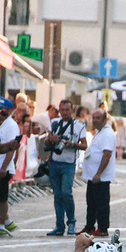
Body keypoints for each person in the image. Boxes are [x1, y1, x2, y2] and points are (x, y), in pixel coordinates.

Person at [44, 99, 87, 236]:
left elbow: (84, 145)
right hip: (54, 161)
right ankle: (59, 226)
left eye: (67, 110)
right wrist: (52, 139)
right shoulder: (54, 123)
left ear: (72, 110)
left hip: (68, 163)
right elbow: (46, 140)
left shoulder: (79, 126)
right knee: (57, 195)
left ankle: (72, 222)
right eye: (62, 110)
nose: (64, 112)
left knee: (66, 193)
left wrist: (73, 144)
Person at [82, 107, 117, 237]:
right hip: (92, 176)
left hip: (100, 177)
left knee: (101, 203)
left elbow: (107, 154)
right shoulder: (99, 132)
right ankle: (90, 226)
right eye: (93, 118)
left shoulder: (107, 133)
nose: (95, 120)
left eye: (98, 118)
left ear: (104, 119)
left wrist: (98, 173)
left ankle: (102, 227)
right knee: (91, 203)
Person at [0, 100, 21, 231]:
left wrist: (4, 168)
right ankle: (4, 221)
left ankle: (1, 223)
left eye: (0, 110)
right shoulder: (0, 125)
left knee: (1, 197)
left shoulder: (11, 125)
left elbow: (12, 148)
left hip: (4, 167)